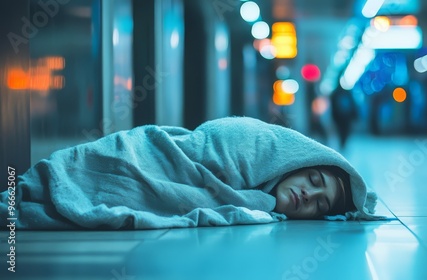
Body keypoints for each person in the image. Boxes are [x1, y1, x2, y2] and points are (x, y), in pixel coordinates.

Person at [0, 117, 382, 230]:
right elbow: (195, 151)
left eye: (320, 205)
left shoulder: (261, 201)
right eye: (314, 182)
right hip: (141, 154)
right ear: (297, 162)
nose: (308, 198)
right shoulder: (254, 143)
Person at [330, 85, 358, 150]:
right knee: (343, 131)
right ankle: (343, 143)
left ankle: (343, 143)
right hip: (342, 117)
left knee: (343, 131)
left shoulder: (337, 93)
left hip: (343, 116)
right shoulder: (346, 93)